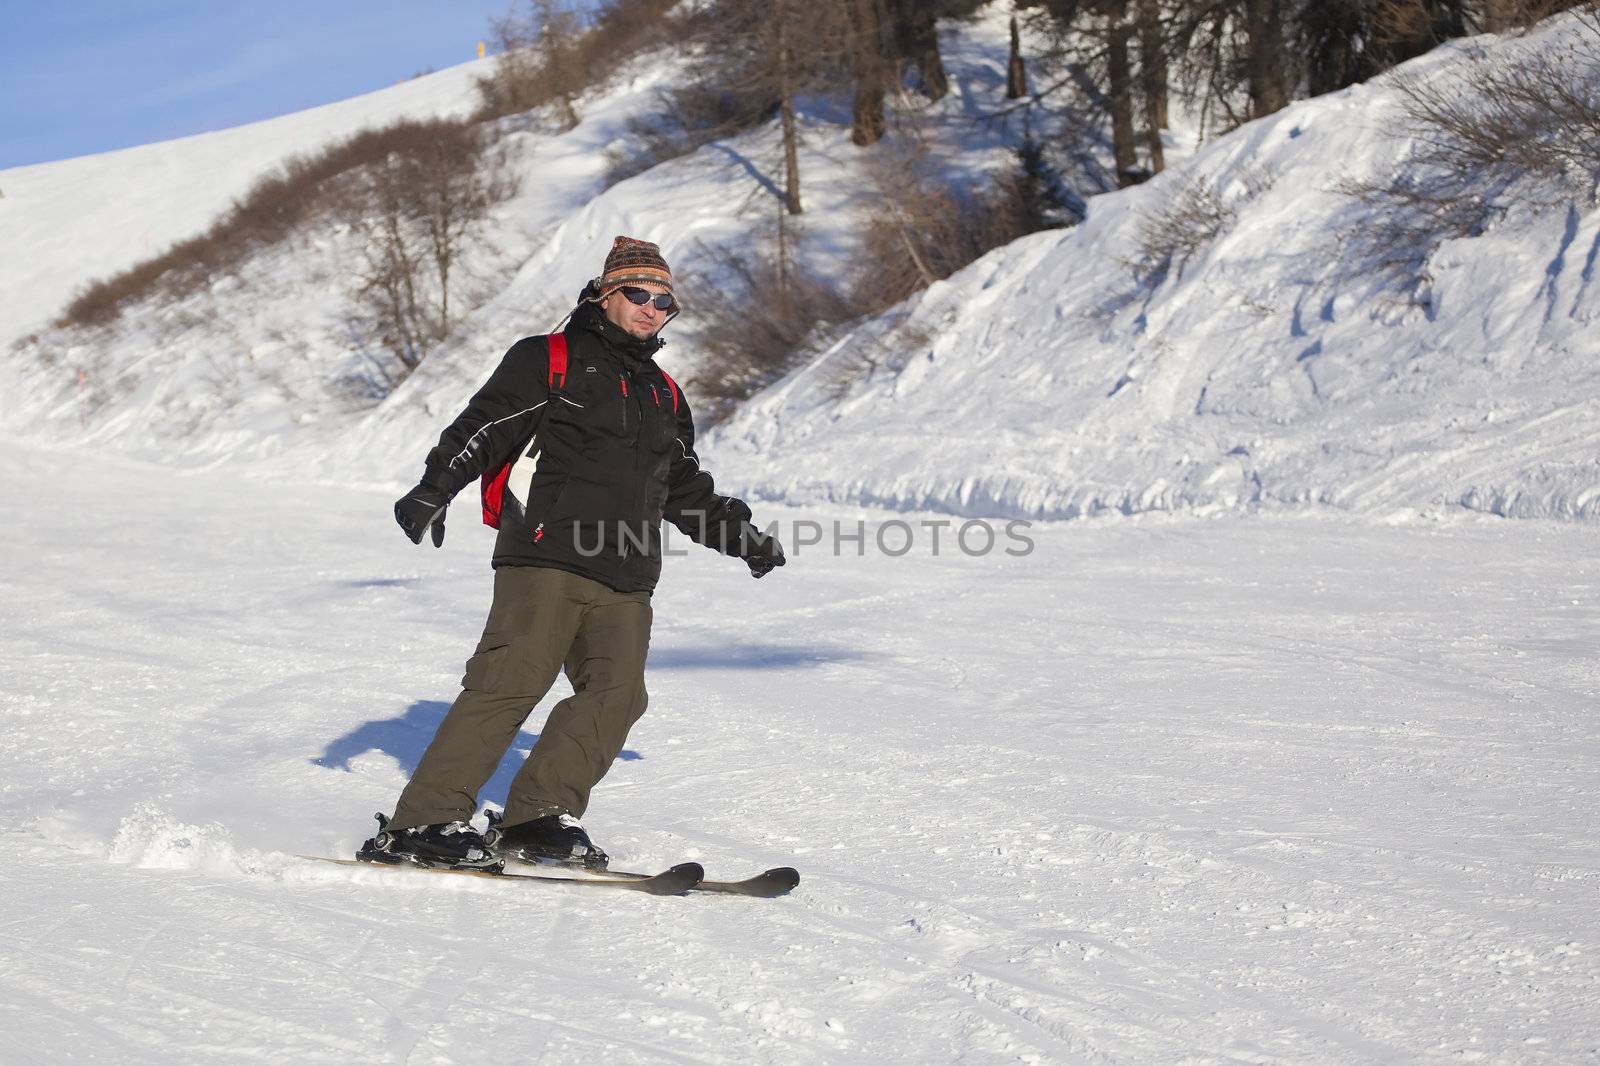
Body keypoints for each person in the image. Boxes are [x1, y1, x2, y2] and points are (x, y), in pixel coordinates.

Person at [359, 236, 786, 872]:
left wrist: (739, 536)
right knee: (511, 681)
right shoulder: (549, 359)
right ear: (605, 293)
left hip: (628, 571)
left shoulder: (665, 394)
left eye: (665, 301)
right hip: (546, 554)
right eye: (638, 294)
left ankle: (536, 818)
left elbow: (684, 486)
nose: (652, 308)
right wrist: (435, 486)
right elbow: (485, 424)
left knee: (618, 694)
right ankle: (425, 821)